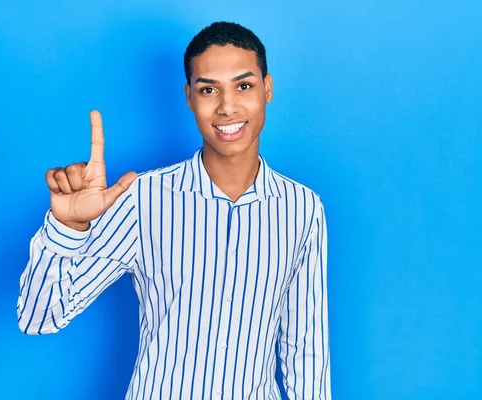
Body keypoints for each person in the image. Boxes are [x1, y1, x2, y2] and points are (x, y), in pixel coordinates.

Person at [17, 21, 332, 399]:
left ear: (267, 89)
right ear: (189, 97)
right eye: (208, 90)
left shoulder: (302, 209)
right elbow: (39, 318)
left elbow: (305, 349)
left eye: (243, 86)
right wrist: (67, 227)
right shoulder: (143, 200)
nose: (227, 106)